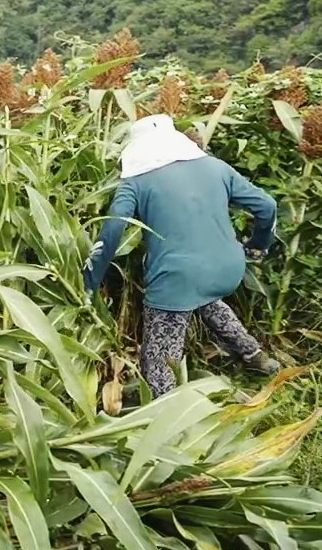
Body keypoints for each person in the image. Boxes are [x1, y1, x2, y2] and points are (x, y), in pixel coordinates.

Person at [84, 113, 282, 396]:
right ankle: (256, 358)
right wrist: (257, 246)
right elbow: (267, 206)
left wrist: (90, 283)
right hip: (229, 268)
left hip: (178, 278)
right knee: (206, 300)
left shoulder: (136, 183)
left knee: (159, 358)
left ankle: (165, 408)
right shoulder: (216, 167)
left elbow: (113, 229)